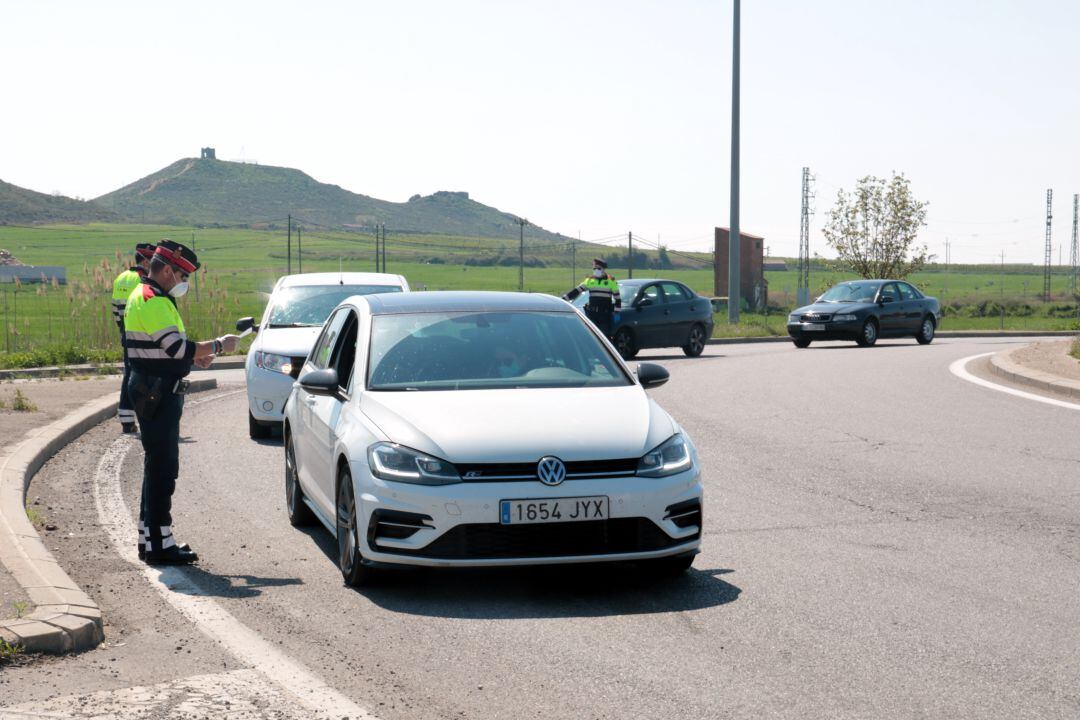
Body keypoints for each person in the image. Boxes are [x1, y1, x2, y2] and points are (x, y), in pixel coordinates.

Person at [123, 239, 240, 565]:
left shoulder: (144, 295)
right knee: (163, 469)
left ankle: (151, 540)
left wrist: (193, 361)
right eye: (181, 275)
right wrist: (217, 346)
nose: (184, 283)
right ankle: (161, 546)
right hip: (157, 392)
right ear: (167, 270)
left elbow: (166, 350)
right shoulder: (154, 300)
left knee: (155, 466)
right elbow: (176, 348)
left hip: (151, 387)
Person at [111, 243, 155, 433]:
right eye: (153, 262)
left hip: (125, 332)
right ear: (145, 261)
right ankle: (141, 415)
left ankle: (126, 418)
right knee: (138, 375)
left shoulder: (121, 277)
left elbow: (115, 310)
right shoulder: (142, 280)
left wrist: (122, 330)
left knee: (129, 373)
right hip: (139, 335)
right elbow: (145, 310)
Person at [562, 258, 622, 338]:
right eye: (594, 268)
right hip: (592, 314)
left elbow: (617, 298)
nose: (596, 270)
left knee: (604, 338)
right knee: (592, 337)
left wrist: (617, 312)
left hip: (605, 315)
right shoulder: (590, 281)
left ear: (603, 269)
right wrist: (563, 299)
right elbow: (576, 291)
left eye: (598, 268)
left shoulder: (611, 281)